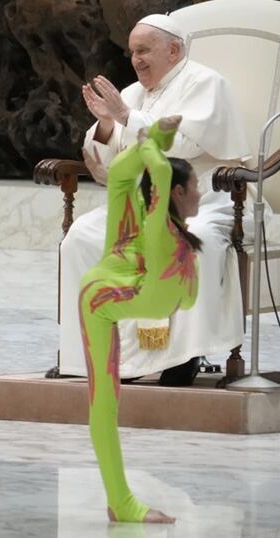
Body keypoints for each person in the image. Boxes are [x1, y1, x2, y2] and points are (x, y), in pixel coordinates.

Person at [57, 13, 249, 385]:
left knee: (192, 242)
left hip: (207, 200)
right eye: (132, 52)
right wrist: (109, 124)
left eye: (144, 50)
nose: (136, 60)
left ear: (174, 49)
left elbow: (186, 145)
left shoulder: (207, 83)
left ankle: (183, 356)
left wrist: (127, 117)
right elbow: (105, 162)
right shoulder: (130, 94)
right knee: (81, 236)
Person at [80, 115, 200, 524]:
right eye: (196, 187)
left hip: (126, 277)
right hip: (102, 299)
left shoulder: (143, 220)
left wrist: (159, 139)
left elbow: (124, 170)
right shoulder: (157, 228)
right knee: (105, 399)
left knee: (119, 181)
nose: (201, 193)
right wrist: (152, 142)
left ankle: (120, 501)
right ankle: (121, 502)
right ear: (177, 193)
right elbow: (160, 173)